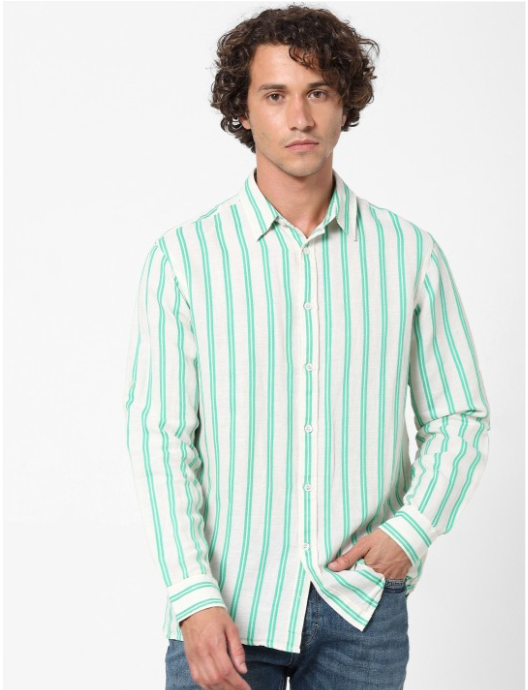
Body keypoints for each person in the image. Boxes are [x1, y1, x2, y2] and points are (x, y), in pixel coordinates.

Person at [122, 5, 491, 690]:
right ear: (243, 110)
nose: (299, 117)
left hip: (362, 610)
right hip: (227, 610)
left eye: (317, 92)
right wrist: (192, 595)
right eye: (275, 95)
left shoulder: (409, 254)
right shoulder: (185, 259)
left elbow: (460, 416)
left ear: (344, 102)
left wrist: (412, 531)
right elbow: (160, 439)